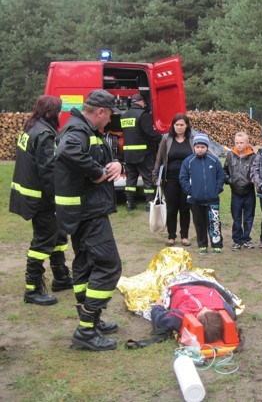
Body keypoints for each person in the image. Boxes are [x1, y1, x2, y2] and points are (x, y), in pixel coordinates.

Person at [54, 89, 123, 351]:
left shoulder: (86, 130)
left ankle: (90, 320)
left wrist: (114, 164)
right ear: (100, 112)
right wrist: (96, 172)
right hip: (88, 212)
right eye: (109, 116)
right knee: (109, 265)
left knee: (84, 264)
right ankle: (86, 328)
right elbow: (67, 152)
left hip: (82, 211)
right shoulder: (78, 130)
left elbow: (93, 157)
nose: (109, 122)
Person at [9, 95, 72, 306]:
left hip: (32, 194)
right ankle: (33, 288)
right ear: (50, 112)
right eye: (59, 110)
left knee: (59, 236)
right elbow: (48, 171)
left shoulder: (31, 127)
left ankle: (61, 277)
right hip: (42, 198)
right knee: (43, 240)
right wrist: (58, 199)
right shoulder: (44, 133)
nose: (60, 114)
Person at [152, 114, 195, 246]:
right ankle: (171, 236)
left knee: (185, 207)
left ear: (187, 125)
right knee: (171, 208)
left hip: (187, 179)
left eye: (182, 124)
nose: (179, 127)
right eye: (176, 125)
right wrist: (155, 176)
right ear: (173, 125)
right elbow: (159, 159)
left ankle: (185, 236)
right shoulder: (166, 138)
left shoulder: (192, 139)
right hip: (170, 179)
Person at [180, 133, 225, 254]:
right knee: (199, 223)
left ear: (207, 147)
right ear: (194, 147)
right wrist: (191, 191)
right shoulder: (188, 161)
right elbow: (183, 178)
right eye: (197, 147)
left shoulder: (214, 160)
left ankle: (216, 244)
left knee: (214, 222)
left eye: (202, 147)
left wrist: (217, 190)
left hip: (212, 199)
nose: (200, 149)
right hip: (195, 200)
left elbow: (221, 176)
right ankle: (202, 245)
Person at [151, 285, 236, 343]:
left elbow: (158, 319)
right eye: (210, 309)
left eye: (203, 310)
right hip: (200, 285)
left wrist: (158, 306)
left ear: (197, 320)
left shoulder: (179, 317)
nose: (205, 307)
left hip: (182, 286)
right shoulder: (226, 310)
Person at [121, 94, 161, 210]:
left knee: (130, 179)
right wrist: (161, 138)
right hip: (143, 154)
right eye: (143, 102)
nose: (144, 104)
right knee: (148, 178)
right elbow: (149, 132)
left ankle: (129, 203)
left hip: (128, 155)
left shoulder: (124, 116)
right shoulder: (143, 115)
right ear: (140, 102)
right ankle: (149, 203)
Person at [224, 132, 256, 251]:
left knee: (248, 217)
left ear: (247, 143)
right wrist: (229, 180)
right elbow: (224, 170)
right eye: (237, 143)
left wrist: (251, 181)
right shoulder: (230, 155)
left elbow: (255, 172)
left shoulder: (253, 156)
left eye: (241, 143)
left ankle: (246, 239)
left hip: (249, 192)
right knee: (236, 218)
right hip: (235, 192)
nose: (239, 145)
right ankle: (237, 240)